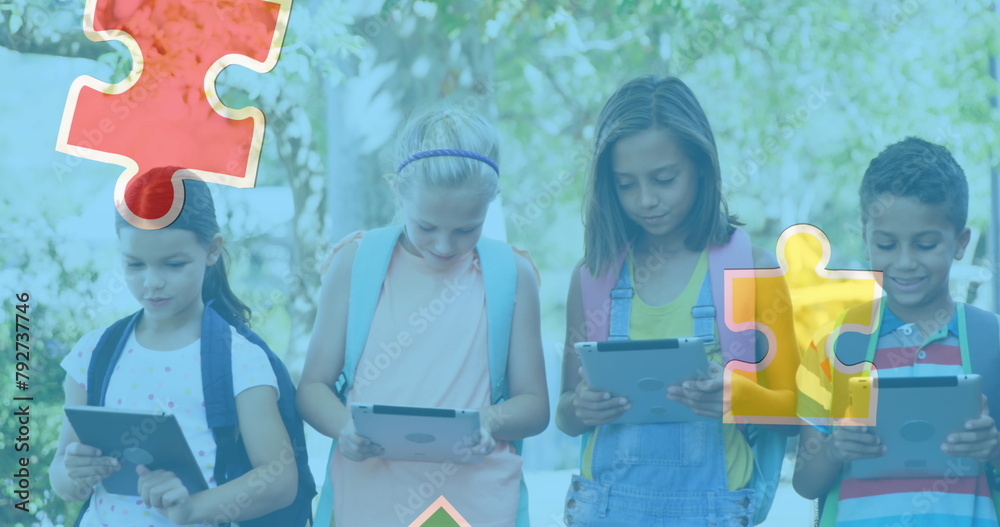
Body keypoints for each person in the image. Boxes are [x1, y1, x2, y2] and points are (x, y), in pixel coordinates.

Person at [556, 75, 798, 526]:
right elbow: (566, 415)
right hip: (606, 508)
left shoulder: (755, 271)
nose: (646, 200)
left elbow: (796, 413)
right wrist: (580, 406)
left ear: (702, 166)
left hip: (715, 510)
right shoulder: (591, 277)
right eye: (626, 184)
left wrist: (741, 398)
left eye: (664, 179)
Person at [297, 105, 549, 527]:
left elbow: (536, 406)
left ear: (492, 200)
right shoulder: (355, 264)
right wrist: (344, 427)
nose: (445, 246)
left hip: (476, 506)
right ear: (398, 190)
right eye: (426, 225)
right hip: (369, 503)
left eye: (467, 229)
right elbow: (312, 388)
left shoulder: (512, 274)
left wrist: (488, 421)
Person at [49, 170, 299, 526]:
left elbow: (279, 480)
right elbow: (61, 475)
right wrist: (74, 474)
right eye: (134, 265)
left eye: (174, 264)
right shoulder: (93, 353)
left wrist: (192, 509)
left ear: (212, 250)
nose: (152, 282)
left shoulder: (239, 359)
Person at [794, 137, 1000, 525]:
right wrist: (836, 448)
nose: (905, 263)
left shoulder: (991, 341)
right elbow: (805, 482)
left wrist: (993, 449)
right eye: (886, 244)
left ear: (960, 243)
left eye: (925, 244)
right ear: (866, 240)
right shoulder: (836, 343)